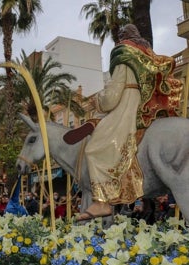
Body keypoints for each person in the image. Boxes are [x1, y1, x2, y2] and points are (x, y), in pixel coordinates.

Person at [74, 24, 182, 221]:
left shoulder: (123, 54)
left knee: (94, 149)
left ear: (123, 37)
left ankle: (101, 202)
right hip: (144, 106)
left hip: (127, 106)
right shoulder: (146, 54)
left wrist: (97, 100)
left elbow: (113, 96)